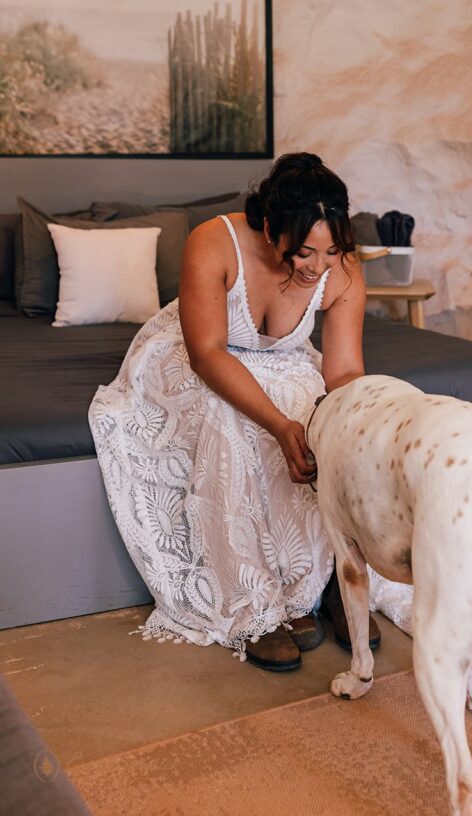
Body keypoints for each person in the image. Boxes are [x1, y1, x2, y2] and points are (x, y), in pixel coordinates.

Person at [88, 152, 381, 671]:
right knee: (233, 419)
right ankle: (251, 601)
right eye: (306, 252)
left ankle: (326, 578)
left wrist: (346, 424)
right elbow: (207, 354)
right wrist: (278, 425)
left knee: (316, 411)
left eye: (333, 249)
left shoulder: (342, 274)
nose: (319, 267)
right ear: (271, 229)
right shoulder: (214, 241)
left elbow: (344, 373)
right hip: (194, 356)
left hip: (281, 360)